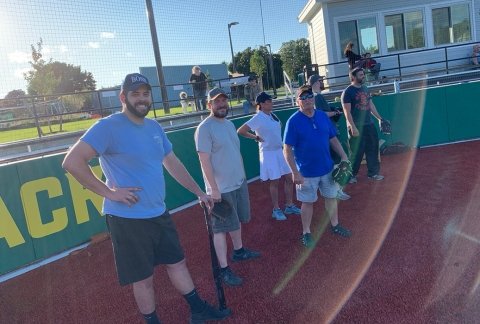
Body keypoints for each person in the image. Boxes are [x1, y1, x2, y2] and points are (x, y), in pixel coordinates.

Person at [62, 73, 230, 324]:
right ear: (123, 97)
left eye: (145, 93)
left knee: (177, 263)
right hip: (127, 219)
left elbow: (172, 163)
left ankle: (197, 310)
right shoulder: (108, 126)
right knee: (144, 279)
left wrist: (199, 192)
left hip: (158, 213)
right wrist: (109, 193)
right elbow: (72, 162)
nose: (142, 99)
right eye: (135, 94)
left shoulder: (154, 127)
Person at [195, 87, 261, 287]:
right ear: (209, 105)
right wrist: (213, 189)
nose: (222, 105)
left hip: (238, 183)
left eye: (224, 101)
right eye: (217, 102)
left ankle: (239, 251)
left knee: (236, 222)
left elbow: (234, 152)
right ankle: (223, 269)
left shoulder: (230, 124)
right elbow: (204, 161)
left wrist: (242, 177)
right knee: (220, 230)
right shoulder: (205, 128)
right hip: (220, 190)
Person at [283, 85, 352, 248]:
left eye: (309, 96)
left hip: (327, 169)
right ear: (297, 101)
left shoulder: (322, 116)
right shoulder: (293, 121)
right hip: (306, 173)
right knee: (307, 203)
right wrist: (295, 172)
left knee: (331, 198)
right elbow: (287, 149)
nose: (307, 100)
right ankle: (306, 232)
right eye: (303, 97)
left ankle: (335, 225)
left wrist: (343, 156)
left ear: (313, 99)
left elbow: (332, 139)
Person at [237, 92, 301, 221]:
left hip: (280, 151)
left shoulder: (273, 115)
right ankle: (276, 209)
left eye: (271, 101)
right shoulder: (258, 118)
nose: (271, 103)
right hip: (268, 153)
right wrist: (255, 137)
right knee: (275, 181)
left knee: (290, 178)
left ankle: (289, 205)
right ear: (261, 104)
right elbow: (241, 130)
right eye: (268, 101)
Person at [307, 74, 351, 201]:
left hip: (326, 133)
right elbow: (321, 114)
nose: (321, 82)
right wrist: (335, 112)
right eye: (320, 81)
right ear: (316, 83)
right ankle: (336, 190)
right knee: (336, 162)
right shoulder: (317, 96)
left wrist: (333, 111)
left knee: (334, 162)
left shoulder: (314, 96)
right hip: (328, 133)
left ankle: (334, 190)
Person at [341, 67, 386, 184]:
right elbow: (347, 112)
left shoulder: (365, 89)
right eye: (360, 75)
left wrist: (380, 119)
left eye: (363, 74)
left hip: (369, 124)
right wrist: (352, 127)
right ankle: (351, 175)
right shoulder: (347, 92)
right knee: (357, 152)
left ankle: (373, 173)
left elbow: (370, 105)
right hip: (355, 126)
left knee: (373, 149)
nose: (363, 76)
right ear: (353, 77)